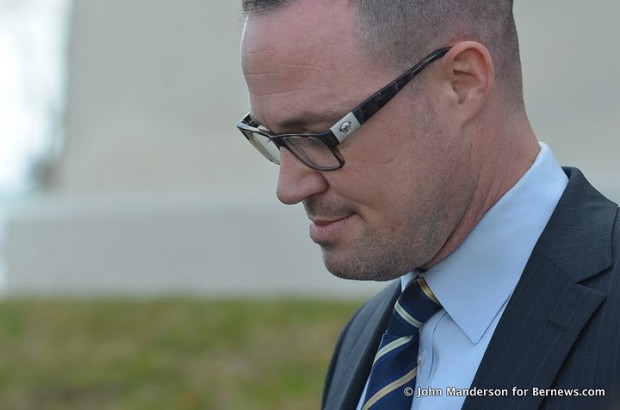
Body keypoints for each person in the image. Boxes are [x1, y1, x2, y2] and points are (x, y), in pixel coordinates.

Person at [237, 0, 620, 408]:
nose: (289, 188)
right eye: (273, 138)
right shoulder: (365, 339)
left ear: (462, 82)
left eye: (320, 136)